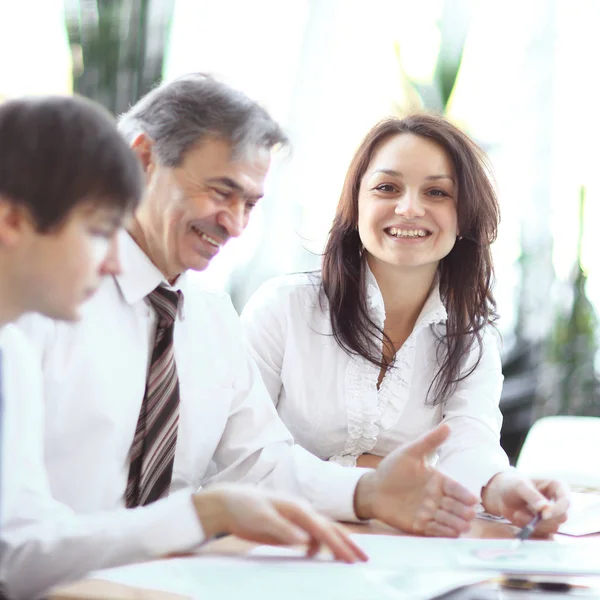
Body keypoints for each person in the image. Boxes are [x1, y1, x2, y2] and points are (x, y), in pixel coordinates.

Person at [9, 76, 480, 597]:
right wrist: (197, 515)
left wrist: (368, 493)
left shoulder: (210, 318)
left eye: (250, 204)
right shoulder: (34, 305)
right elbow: (20, 543)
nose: (234, 225)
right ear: (144, 160)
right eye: (221, 192)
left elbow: (259, 461)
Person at [240, 114, 570, 533]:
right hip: (274, 544)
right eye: (387, 188)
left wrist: (503, 488)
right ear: (355, 204)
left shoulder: (472, 335)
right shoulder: (282, 307)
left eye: (436, 192)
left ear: (464, 216)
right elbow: (245, 460)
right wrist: (371, 482)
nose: (410, 208)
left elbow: (470, 443)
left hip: (400, 552)